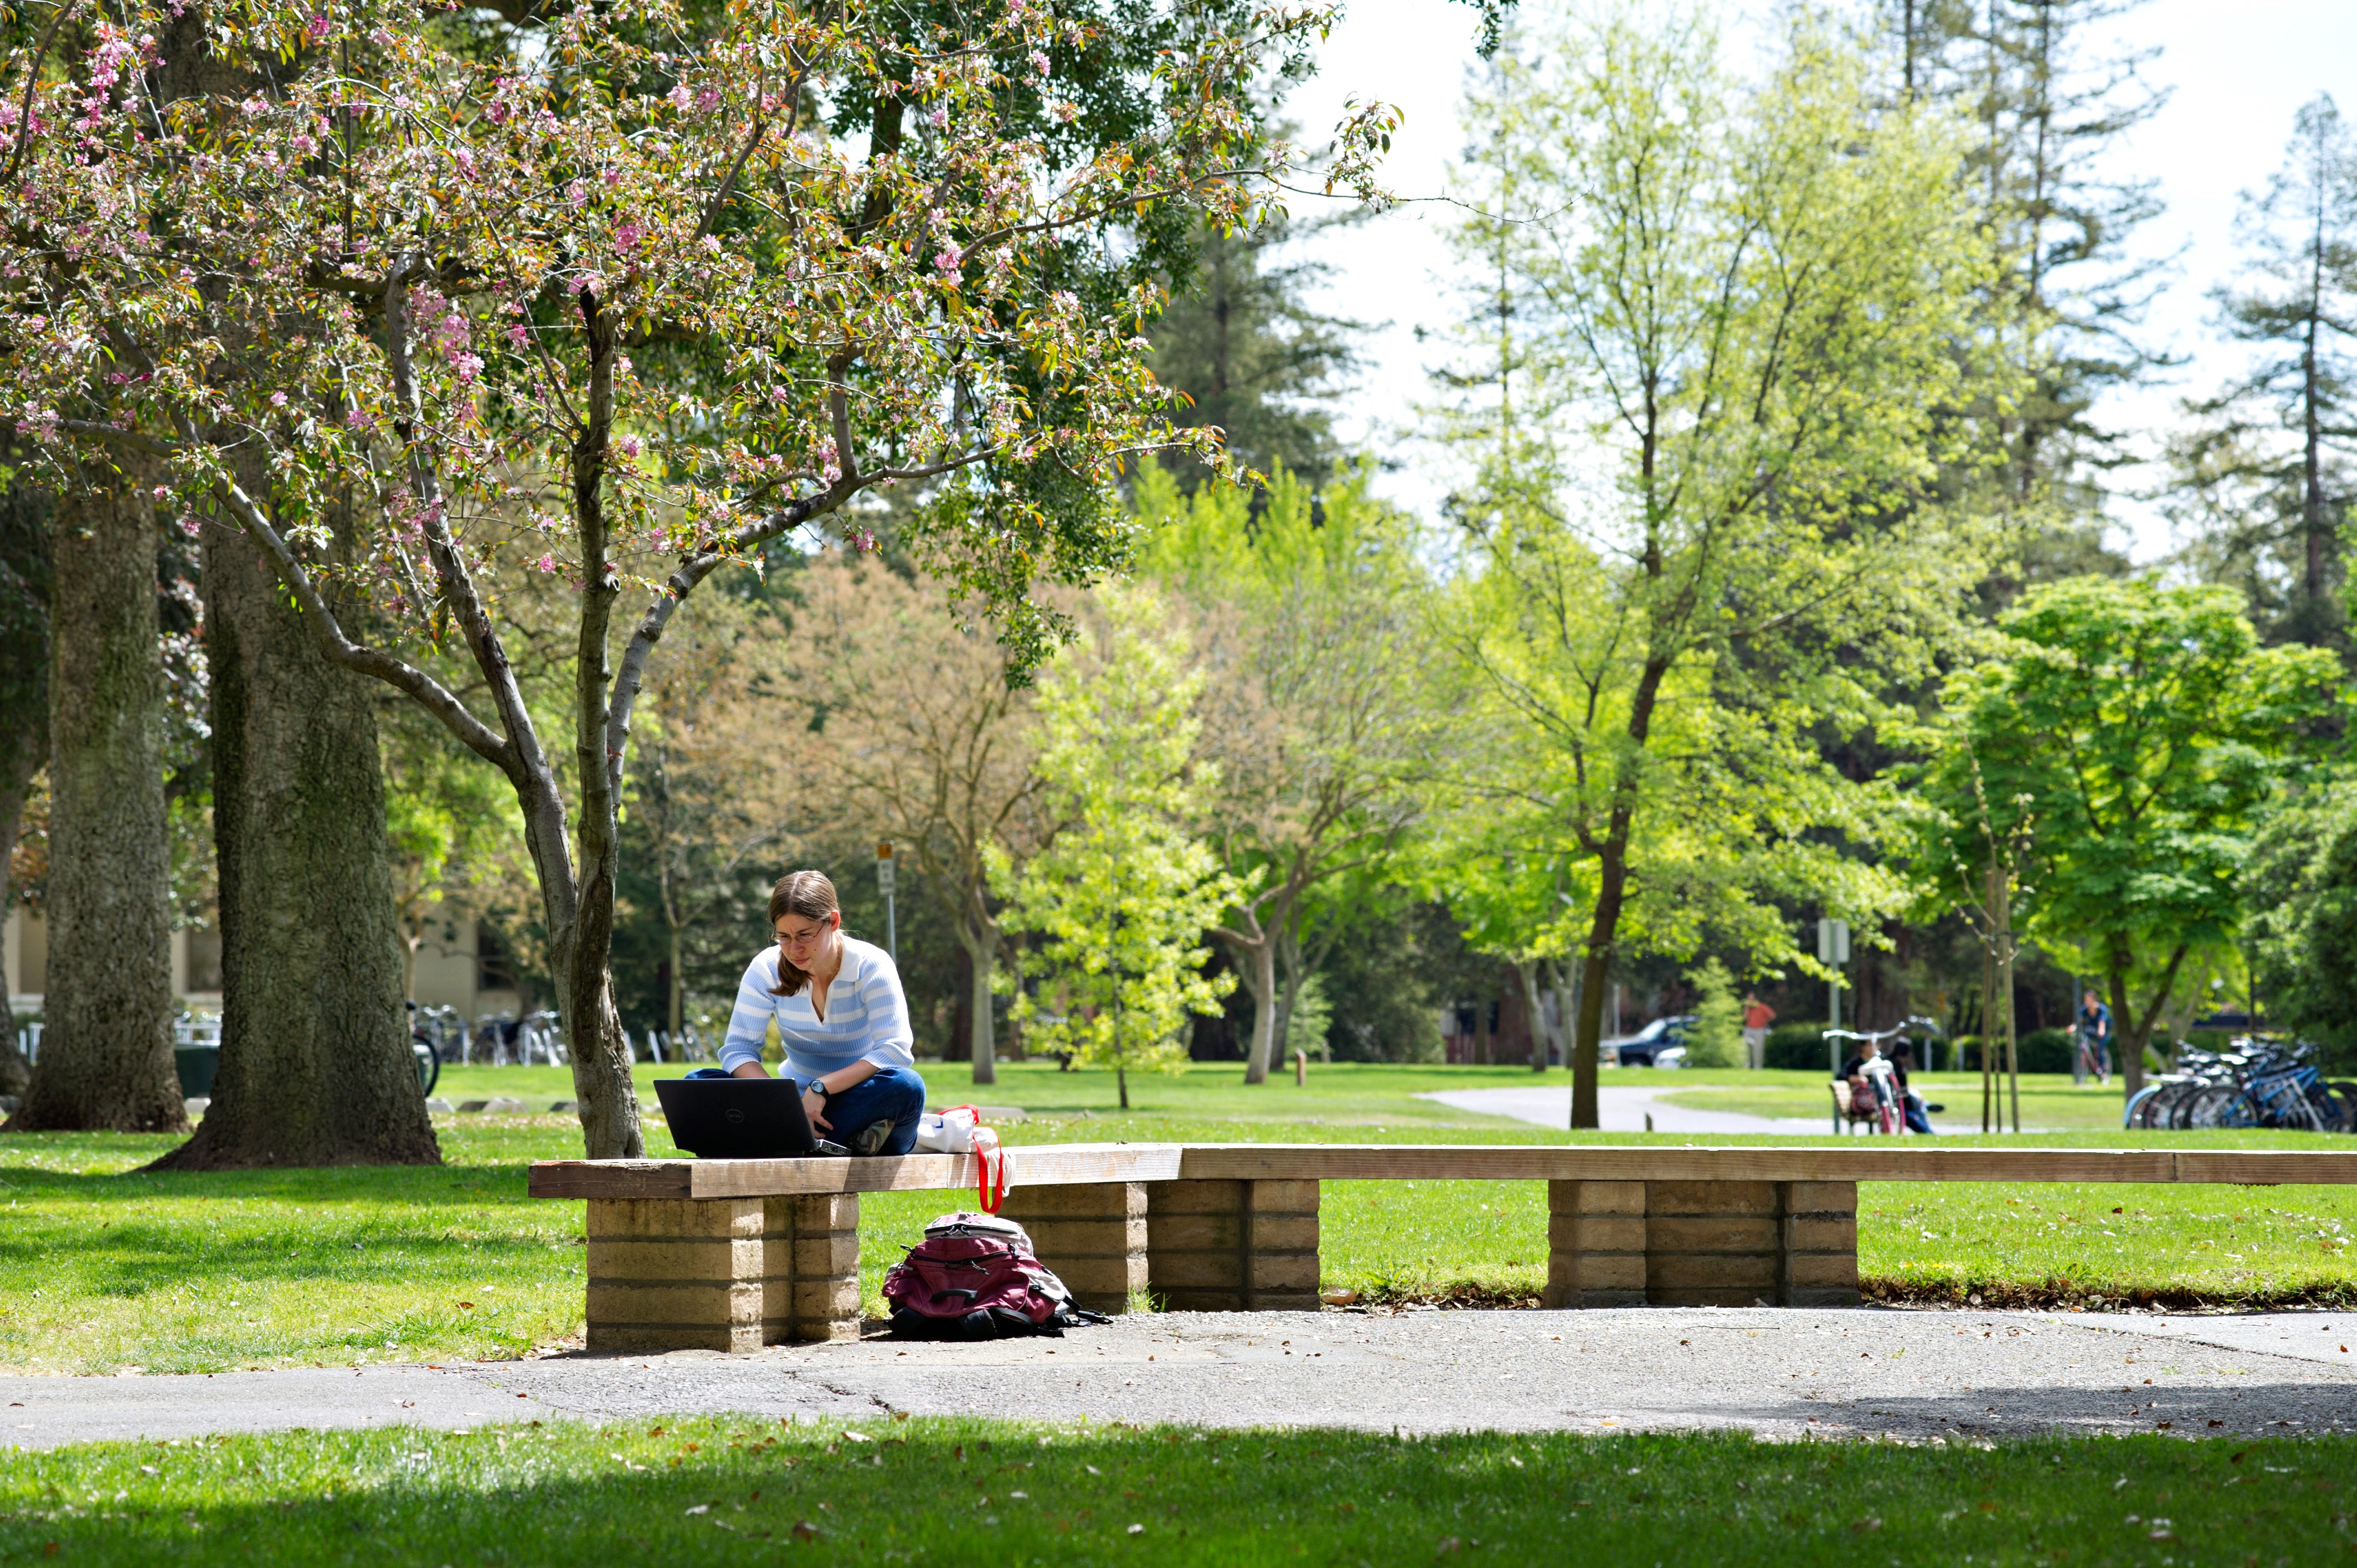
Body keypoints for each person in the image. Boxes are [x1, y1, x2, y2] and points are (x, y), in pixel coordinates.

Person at [719, 870, 927, 1156]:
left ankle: (791, 1141)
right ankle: (827, 1140)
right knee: (699, 1081)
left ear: (833, 922)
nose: (794, 949)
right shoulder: (766, 968)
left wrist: (821, 1088)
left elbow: (895, 1049)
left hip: (858, 1096)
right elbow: (737, 1051)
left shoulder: (871, 965)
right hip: (791, 1101)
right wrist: (784, 1106)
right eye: (783, 936)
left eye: (805, 935)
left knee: (907, 1086)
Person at [2076, 989, 2112, 1087]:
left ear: (2094, 1000)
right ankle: (2086, 1066)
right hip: (2091, 1031)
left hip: (2102, 1033)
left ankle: (2103, 1071)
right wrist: (2073, 1027)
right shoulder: (2084, 1010)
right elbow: (2079, 1022)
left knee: (2100, 1050)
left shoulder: (2101, 1009)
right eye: (2086, 1000)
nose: (2087, 1002)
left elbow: (2102, 1022)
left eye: (2089, 1000)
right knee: (2083, 1042)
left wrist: (2101, 1030)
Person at [1741, 993, 1776, 1070]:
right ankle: (1746, 1067)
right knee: (1746, 1049)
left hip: (1759, 1030)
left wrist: (1764, 1021)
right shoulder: (1749, 1008)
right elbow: (1745, 1018)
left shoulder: (1762, 1007)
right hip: (1749, 1029)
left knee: (1758, 1050)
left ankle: (1758, 1068)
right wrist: (1746, 1008)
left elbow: (1772, 1015)